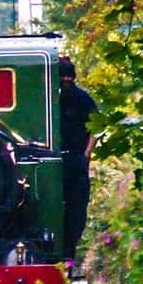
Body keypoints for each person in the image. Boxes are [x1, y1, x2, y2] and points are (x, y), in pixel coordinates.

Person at [58, 56, 97, 262]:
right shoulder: (48, 99)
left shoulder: (83, 99)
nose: (66, 81)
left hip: (75, 159)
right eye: (62, 77)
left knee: (76, 208)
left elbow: (96, 126)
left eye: (69, 77)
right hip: (53, 160)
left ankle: (69, 255)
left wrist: (86, 154)